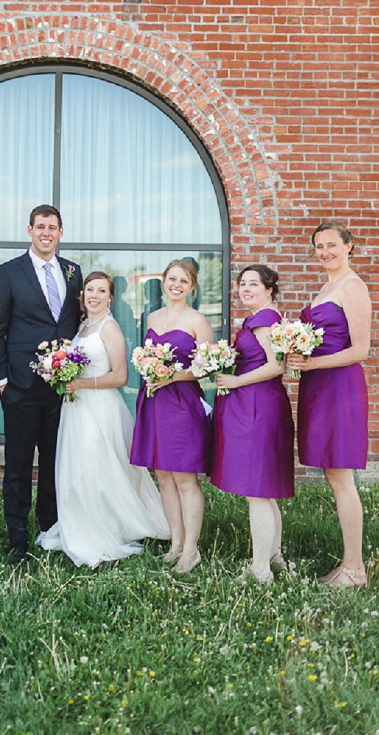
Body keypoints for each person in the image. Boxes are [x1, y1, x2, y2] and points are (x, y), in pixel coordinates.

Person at [37, 273, 170, 567]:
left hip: (99, 408)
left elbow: (120, 376)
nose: (94, 295)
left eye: (101, 290)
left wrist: (81, 384)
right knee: (79, 467)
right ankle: (80, 520)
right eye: (89, 290)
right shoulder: (84, 326)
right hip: (76, 408)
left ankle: (107, 525)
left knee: (99, 466)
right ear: (82, 294)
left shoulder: (110, 328)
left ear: (110, 297)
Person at [0, 205, 82, 564]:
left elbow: (73, 324)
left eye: (52, 227)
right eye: (40, 227)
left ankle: (49, 529)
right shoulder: (9, 273)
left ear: (60, 232)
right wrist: (2, 379)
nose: (46, 233)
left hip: (62, 388)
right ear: (29, 230)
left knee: (56, 461)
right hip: (21, 386)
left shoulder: (73, 272)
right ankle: (17, 537)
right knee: (19, 463)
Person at [287, 221, 371, 589]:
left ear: (349, 246)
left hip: (339, 387)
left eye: (332, 245)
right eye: (319, 246)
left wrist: (313, 362)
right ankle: (347, 565)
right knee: (332, 476)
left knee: (341, 476)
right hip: (318, 386)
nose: (325, 252)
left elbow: (360, 350)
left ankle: (355, 570)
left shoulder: (353, 287)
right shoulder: (326, 287)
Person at [210, 265, 294, 583]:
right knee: (263, 490)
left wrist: (236, 378)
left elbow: (276, 366)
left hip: (258, 406)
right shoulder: (262, 317)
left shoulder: (264, 319)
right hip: (258, 404)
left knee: (257, 491)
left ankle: (260, 569)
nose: (245, 288)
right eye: (242, 283)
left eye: (253, 284)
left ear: (269, 289)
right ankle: (275, 557)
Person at [130, 259, 214, 574]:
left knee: (184, 477)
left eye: (183, 281)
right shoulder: (153, 316)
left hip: (182, 405)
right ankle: (176, 542)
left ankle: (192, 549)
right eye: (171, 279)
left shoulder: (198, 320)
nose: (176, 285)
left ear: (191, 287)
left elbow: (208, 366)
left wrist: (173, 376)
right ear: (164, 281)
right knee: (163, 475)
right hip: (153, 401)